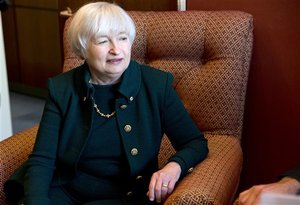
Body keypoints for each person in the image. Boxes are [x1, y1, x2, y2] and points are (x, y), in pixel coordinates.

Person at [5, 2, 209, 205]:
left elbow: (195, 143)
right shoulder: (62, 88)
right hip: (66, 192)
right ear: (83, 48)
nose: (116, 49)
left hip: (125, 197)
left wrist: (175, 166)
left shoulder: (156, 85)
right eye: (103, 41)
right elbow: (43, 158)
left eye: (122, 38)